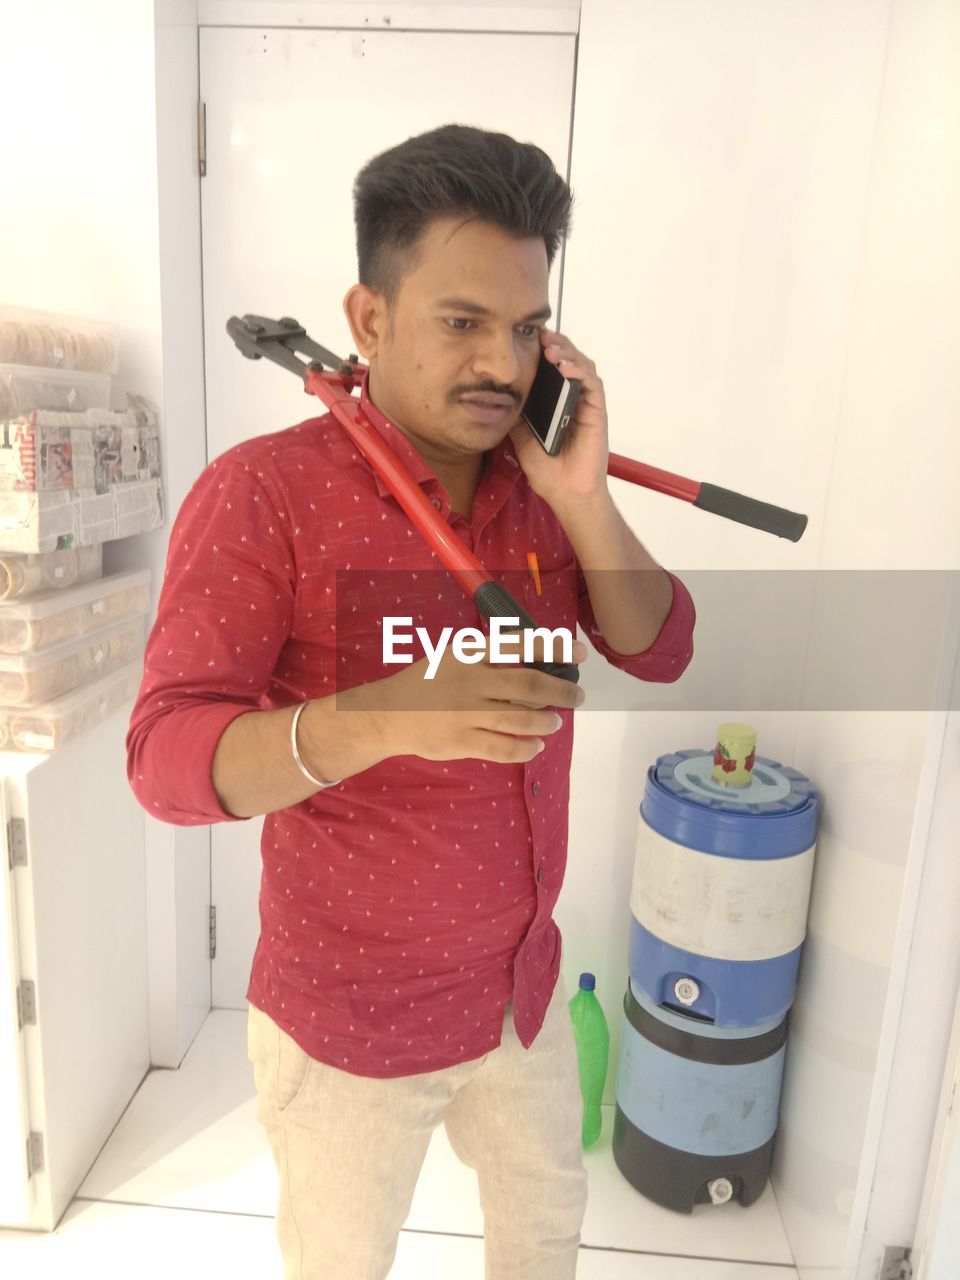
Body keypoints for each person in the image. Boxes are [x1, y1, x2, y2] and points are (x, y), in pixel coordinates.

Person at [126, 123, 695, 1280]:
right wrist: (381, 714)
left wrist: (583, 495)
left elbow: (661, 646)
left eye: (527, 327)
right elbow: (166, 759)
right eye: (462, 320)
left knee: (542, 1237)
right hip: (347, 1022)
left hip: (521, 991)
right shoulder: (263, 496)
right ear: (370, 317)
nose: (503, 361)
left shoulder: (541, 490)